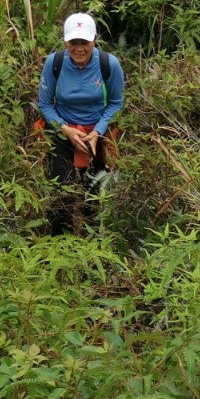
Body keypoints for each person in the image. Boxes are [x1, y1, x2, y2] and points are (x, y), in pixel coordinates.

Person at [36, 13, 124, 235]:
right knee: (61, 193)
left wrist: (98, 132)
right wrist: (65, 129)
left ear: (94, 39)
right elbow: (44, 104)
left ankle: (92, 242)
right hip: (62, 132)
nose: (79, 48)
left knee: (94, 193)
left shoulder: (108, 65)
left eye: (84, 41)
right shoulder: (54, 63)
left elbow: (116, 103)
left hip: (96, 134)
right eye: (73, 42)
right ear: (65, 41)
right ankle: (59, 242)